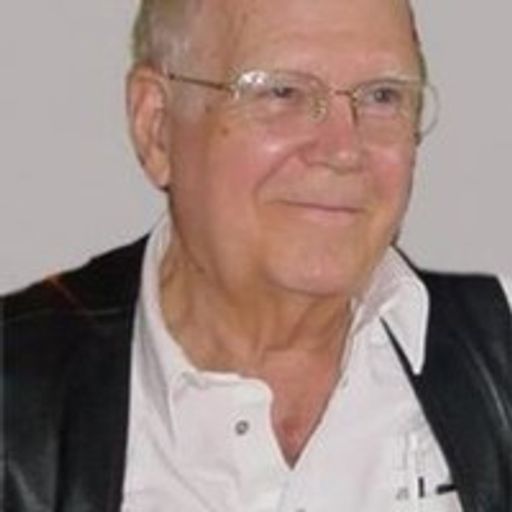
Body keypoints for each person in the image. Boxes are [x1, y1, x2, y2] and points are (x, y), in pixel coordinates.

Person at [2, 0, 511, 511]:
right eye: (282, 92)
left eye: (383, 95)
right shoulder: (17, 401)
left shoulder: (496, 353)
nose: (343, 150)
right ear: (157, 126)